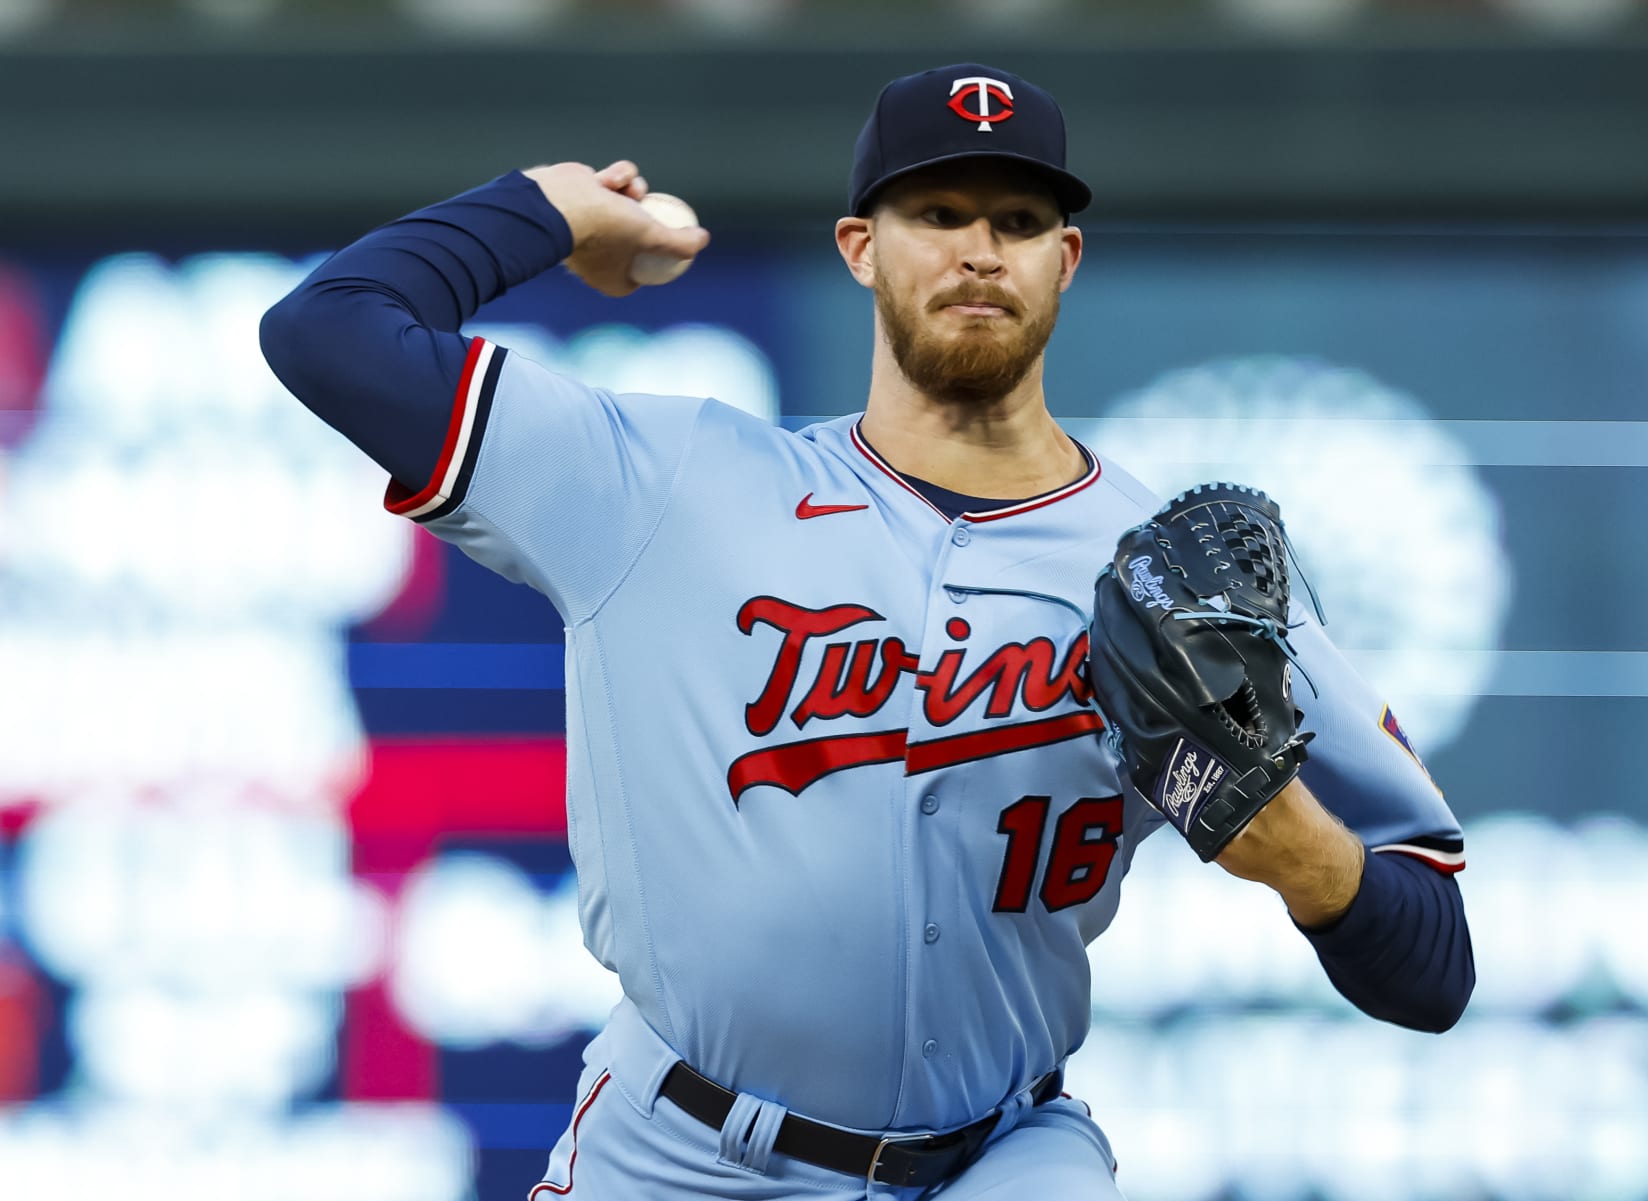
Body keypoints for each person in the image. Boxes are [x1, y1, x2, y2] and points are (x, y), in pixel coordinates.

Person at [261, 62, 1473, 1201]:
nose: (978, 250)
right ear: (861, 246)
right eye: (938, 211)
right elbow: (329, 331)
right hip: (683, 1151)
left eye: (1016, 219)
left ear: (1068, 257)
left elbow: (1433, 967)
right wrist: (551, 209)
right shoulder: (670, 482)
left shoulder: (1172, 577)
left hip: (1002, 1153)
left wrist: (1300, 850)